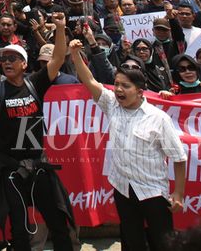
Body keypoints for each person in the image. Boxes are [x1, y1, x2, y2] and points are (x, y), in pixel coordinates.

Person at [0, 12, 73, 251]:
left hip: (39, 166)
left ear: (24, 64)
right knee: (18, 228)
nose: (7, 62)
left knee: (58, 221)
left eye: (12, 58)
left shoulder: (35, 82)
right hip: (11, 169)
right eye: (4, 59)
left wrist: (60, 28)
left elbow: (58, 57)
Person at [70, 40, 186, 251]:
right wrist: (75, 54)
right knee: (131, 241)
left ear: (140, 91)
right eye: (116, 84)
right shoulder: (112, 105)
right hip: (123, 188)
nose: (119, 90)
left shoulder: (158, 118)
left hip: (153, 192)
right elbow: (89, 80)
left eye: (125, 86)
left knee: (164, 242)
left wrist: (178, 193)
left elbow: (178, 157)